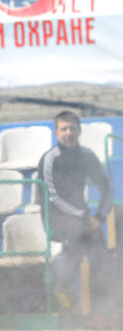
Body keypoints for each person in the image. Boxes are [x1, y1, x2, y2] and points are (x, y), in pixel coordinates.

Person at [37, 110, 114, 319]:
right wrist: (83, 217)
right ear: (56, 132)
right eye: (64, 129)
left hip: (84, 218)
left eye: (72, 128)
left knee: (99, 250)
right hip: (55, 216)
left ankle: (101, 309)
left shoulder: (87, 155)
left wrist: (99, 217)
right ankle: (64, 294)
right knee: (80, 235)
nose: (68, 133)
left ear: (79, 130)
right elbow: (52, 197)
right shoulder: (50, 158)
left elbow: (107, 186)